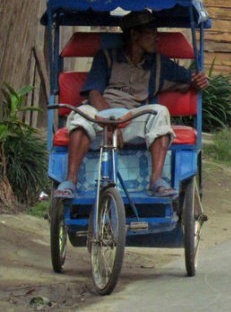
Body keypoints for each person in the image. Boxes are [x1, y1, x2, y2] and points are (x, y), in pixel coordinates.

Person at [53, 11, 210, 199]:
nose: (156, 38)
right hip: (100, 118)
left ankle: (156, 181)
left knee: (160, 112)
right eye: (151, 33)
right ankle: (70, 181)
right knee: (80, 114)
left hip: (132, 118)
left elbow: (191, 79)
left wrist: (199, 81)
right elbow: (94, 92)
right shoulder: (107, 57)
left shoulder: (159, 63)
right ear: (135, 35)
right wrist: (110, 123)